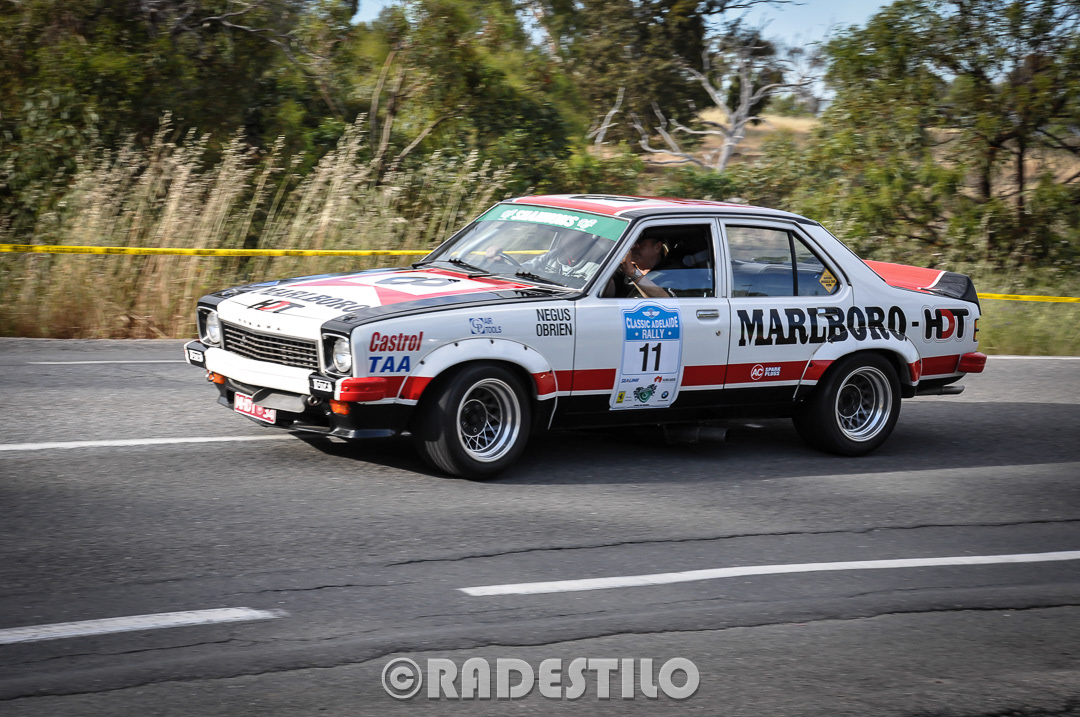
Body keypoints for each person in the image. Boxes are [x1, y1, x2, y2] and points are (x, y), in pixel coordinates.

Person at [607, 235, 675, 298]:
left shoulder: (673, 272)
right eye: (631, 241)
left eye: (640, 242)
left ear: (658, 247)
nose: (633, 246)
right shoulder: (623, 268)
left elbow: (667, 301)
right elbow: (607, 292)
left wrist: (633, 273)